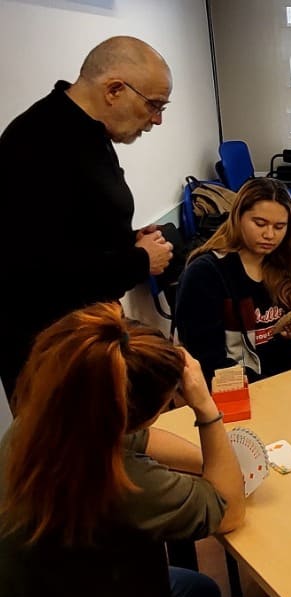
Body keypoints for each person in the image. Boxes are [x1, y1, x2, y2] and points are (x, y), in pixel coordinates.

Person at [0, 302, 266, 597]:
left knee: (198, 589)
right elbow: (227, 509)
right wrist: (206, 409)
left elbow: (143, 439)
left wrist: (211, 460)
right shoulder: (120, 480)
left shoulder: (52, 418)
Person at [0, 36, 175, 403]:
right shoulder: (37, 144)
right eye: (154, 105)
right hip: (50, 351)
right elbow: (38, 270)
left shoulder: (88, 132)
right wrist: (139, 261)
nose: (157, 119)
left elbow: (71, 231)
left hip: (83, 336)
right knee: (69, 457)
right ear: (114, 89)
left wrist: (127, 240)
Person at [176, 177, 291, 386]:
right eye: (259, 224)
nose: (269, 235)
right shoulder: (205, 273)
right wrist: (263, 388)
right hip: (234, 387)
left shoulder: (290, 266)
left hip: (285, 379)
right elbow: (206, 362)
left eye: (279, 227)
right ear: (238, 218)